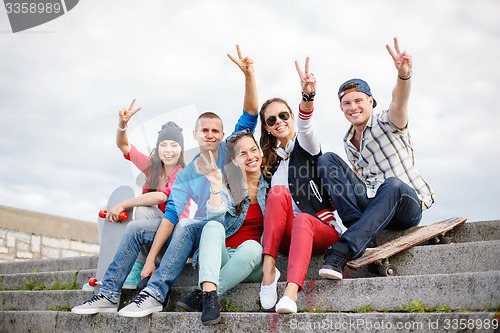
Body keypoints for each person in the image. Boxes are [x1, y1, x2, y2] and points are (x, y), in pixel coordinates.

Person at [79, 45, 258, 318]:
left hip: (216, 232)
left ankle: (154, 294)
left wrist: (248, 75)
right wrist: (150, 259)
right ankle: (108, 292)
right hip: (186, 233)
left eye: (215, 131)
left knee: (187, 223)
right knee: (138, 228)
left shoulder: (228, 152)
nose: (210, 135)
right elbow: (170, 215)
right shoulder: (186, 173)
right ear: (196, 134)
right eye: (204, 131)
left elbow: (250, 113)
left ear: (222, 135)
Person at [317, 37, 435, 280]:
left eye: (359, 101)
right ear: (341, 108)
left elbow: (399, 102)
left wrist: (403, 76)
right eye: (346, 103)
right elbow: (355, 179)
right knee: (327, 159)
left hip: (406, 204)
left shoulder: (388, 122)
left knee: (392, 184)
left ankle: (344, 249)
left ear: (370, 101)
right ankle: (361, 230)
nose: (353, 107)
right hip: (374, 204)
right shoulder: (348, 140)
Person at [258, 58, 342, 314]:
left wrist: (308, 95)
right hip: (284, 236)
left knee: (303, 219)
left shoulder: (308, 146)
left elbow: (306, 124)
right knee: (277, 192)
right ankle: (269, 272)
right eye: (271, 121)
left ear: (291, 117)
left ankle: (291, 293)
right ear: (268, 129)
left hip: (318, 228)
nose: (278, 122)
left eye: (283, 115)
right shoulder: (270, 164)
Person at [177, 129, 269, 326]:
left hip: (252, 263)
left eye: (253, 150)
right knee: (211, 226)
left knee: (253, 247)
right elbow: (216, 222)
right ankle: (210, 296)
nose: (251, 157)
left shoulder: (272, 186)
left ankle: (204, 294)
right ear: (235, 161)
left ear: (260, 152)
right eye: (243, 154)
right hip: (220, 258)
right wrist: (216, 187)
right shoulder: (231, 187)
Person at [116, 101, 189, 289]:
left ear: (181, 149)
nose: (169, 150)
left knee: (142, 210)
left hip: (175, 234)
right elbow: (124, 146)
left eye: (174, 145)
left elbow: (161, 197)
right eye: (163, 145)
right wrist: (122, 126)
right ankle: (139, 264)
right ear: (157, 148)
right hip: (154, 233)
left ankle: (142, 263)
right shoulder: (151, 168)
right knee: (141, 213)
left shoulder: (183, 173)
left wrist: (125, 203)